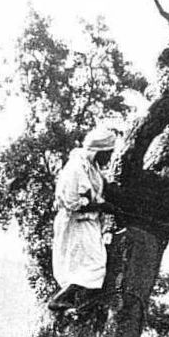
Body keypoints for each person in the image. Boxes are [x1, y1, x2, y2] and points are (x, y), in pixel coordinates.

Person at [48, 126, 117, 313]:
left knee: (85, 267)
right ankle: (59, 299)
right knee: (94, 266)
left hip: (88, 223)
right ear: (98, 151)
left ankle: (76, 305)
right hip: (76, 223)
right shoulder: (75, 168)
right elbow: (72, 202)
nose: (109, 158)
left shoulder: (91, 168)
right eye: (108, 153)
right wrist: (102, 206)